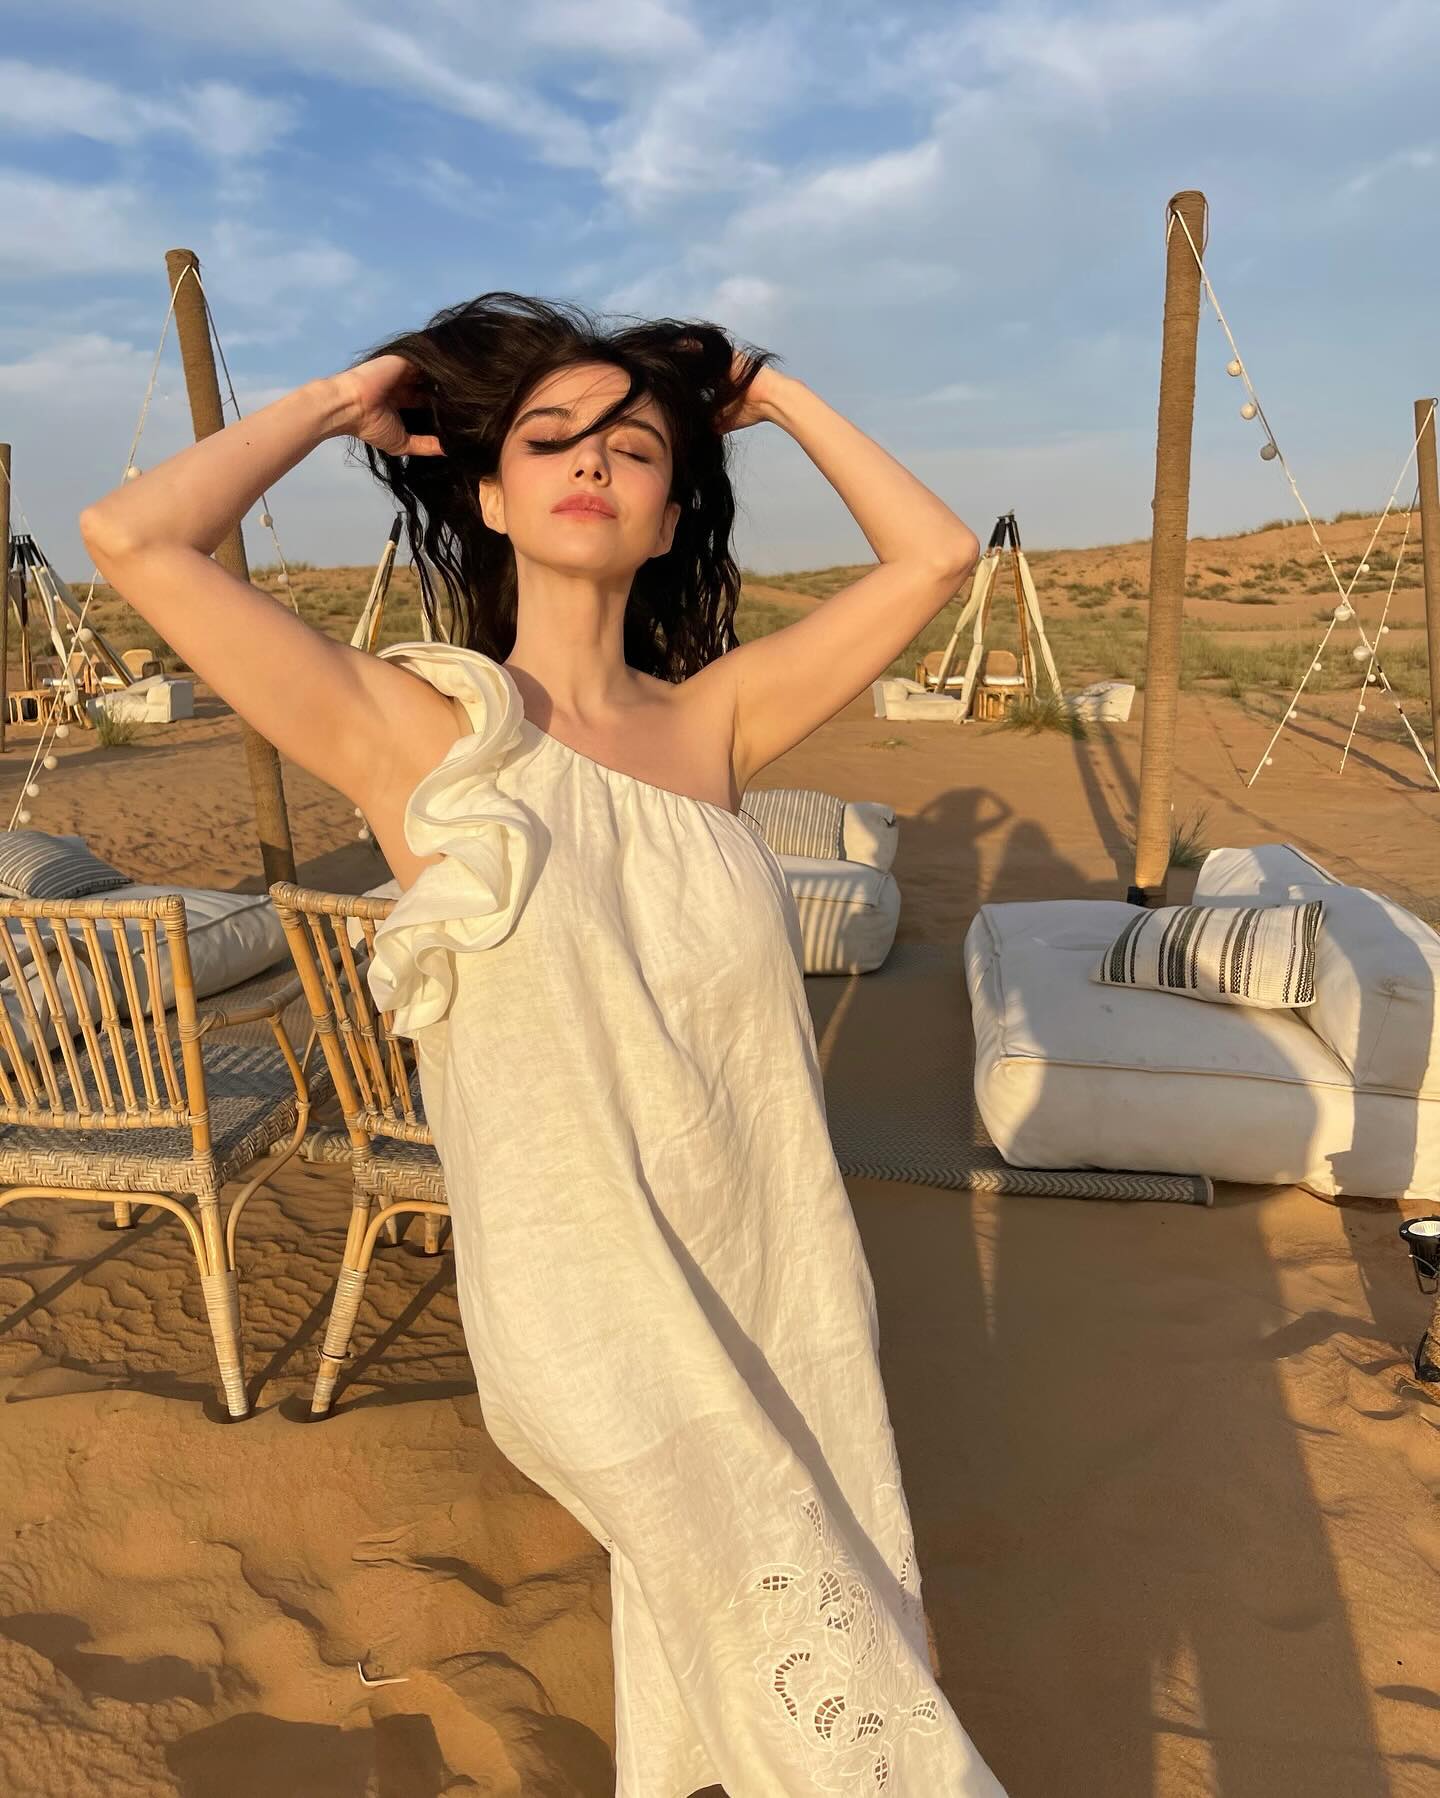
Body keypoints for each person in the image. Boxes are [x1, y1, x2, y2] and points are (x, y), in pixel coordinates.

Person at [79, 293, 1005, 1796]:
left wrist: (766, 391)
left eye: (633, 448)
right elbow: (133, 537)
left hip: (774, 1268)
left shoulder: (714, 725)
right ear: (492, 496)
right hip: (581, 1297)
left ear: (668, 515)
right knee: (830, 1673)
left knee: (782, 1631)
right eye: (549, 436)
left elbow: (937, 555)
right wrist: (356, 394)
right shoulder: (416, 732)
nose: (591, 461)